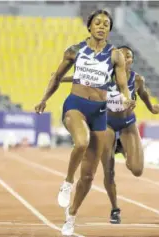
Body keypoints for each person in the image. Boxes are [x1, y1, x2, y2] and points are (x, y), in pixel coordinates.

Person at [34, 10, 134, 236]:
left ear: (109, 29)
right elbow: (57, 77)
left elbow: (121, 85)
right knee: (81, 142)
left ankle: (71, 215)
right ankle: (67, 182)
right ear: (89, 27)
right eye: (97, 23)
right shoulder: (74, 51)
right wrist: (43, 100)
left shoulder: (115, 55)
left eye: (106, 24)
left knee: (89, 176)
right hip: (75, 106)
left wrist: (127, 98)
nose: (101, 27)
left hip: (99, 112)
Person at [58, 45, 159, 224]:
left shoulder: (137, 80)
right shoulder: (103, 76)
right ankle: (114, 208)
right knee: (108, 171)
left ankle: (121, 147)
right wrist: (60, 78)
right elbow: (80, 78)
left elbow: (142, 94)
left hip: (127, 124)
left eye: (129, 56)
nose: (125, 58)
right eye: (122, 55)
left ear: (131, 60)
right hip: (107, 124)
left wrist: (151, 107)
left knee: (136, 169)